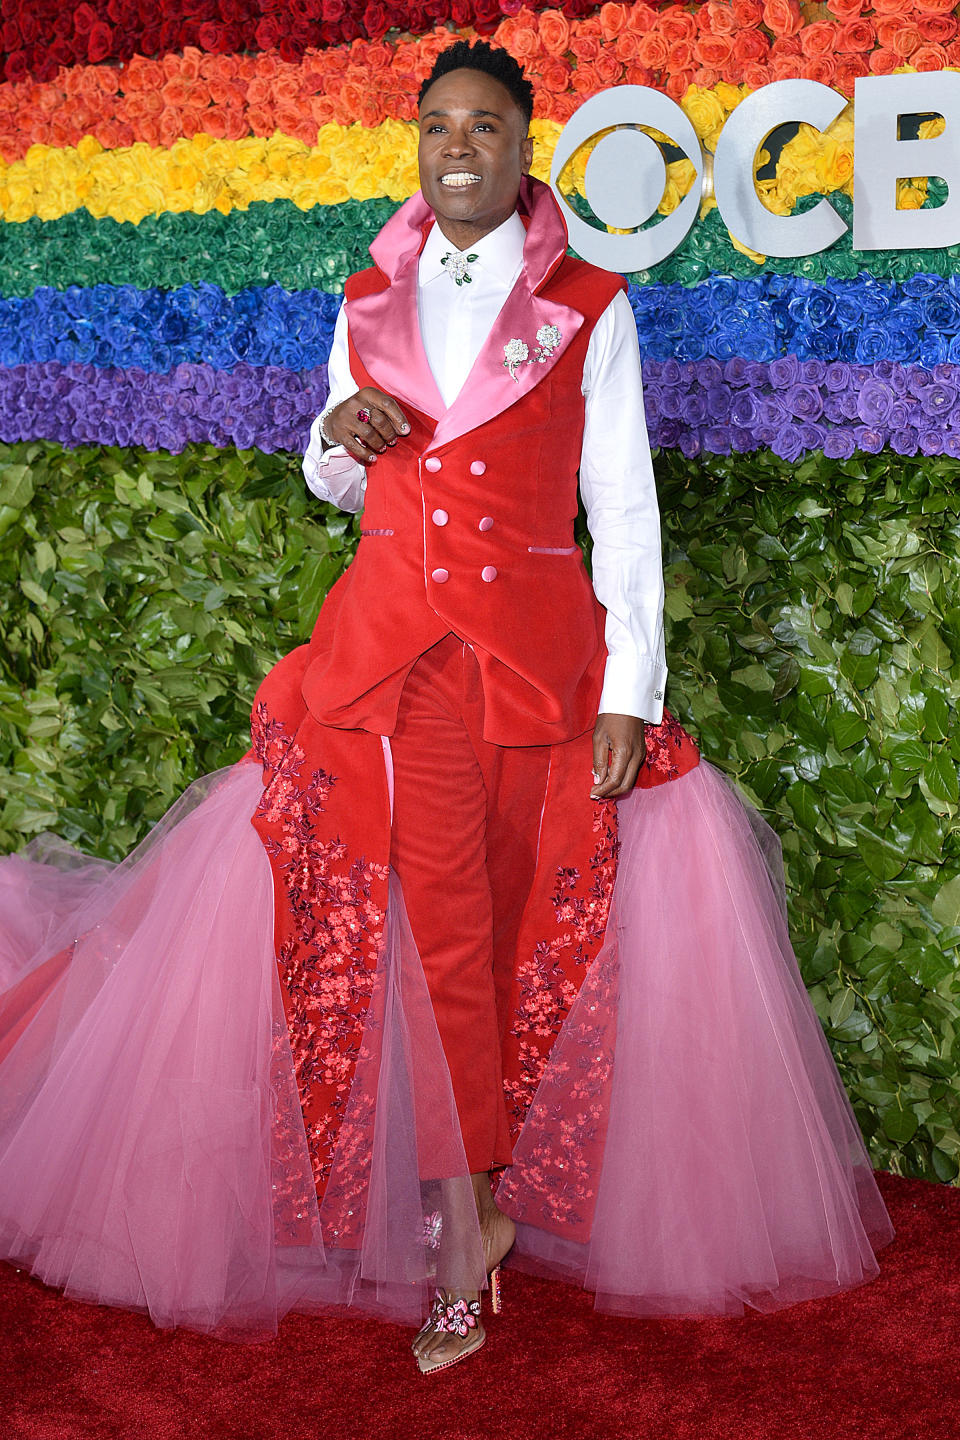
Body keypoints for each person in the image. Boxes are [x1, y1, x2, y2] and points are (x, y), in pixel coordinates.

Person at [0, 41, 892, 1376]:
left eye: (483, 126)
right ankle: (466, 1225)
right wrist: (337, 439)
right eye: (435, 127)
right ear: (415, 146)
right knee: (432, 933)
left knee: (515, 928)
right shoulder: (366, 293)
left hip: (530, 662)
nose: (457, 147)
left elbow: (625, 506)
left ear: (524, 146)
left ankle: (482, 1196)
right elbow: (335, 471)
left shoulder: (593, 300)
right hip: (390, 661)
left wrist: (629, 689)